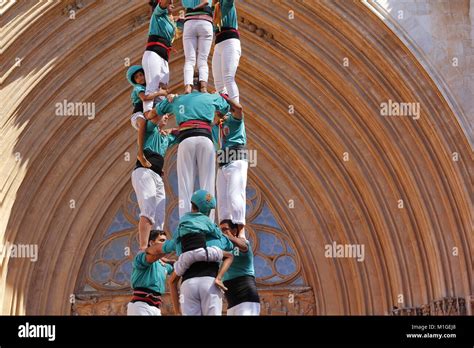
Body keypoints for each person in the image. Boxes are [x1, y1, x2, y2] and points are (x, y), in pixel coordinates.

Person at [154, 81, 242, 220]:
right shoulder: (210, 98)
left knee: (184, 182)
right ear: (203, 84)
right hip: (205, 139)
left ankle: (185, 221)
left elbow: (156, 111)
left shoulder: (179, 99)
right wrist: (218, 97)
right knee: (207, 182)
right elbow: (226, 110)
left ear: (187, 85)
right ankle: (209, 221)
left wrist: (169, 97)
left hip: (186, 139)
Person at [145, 190, 234, 315]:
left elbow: (164, 247)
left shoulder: (181, 233)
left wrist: (147, 249)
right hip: (210, 282)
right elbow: (229, 246)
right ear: (207, 211)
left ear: (192, 204)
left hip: (188, 283)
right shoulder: (217, 239)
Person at [131, 113, 178, 250]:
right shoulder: (150, 129)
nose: (165, 117)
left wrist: (172, 130)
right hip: (144, 172)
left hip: (157, 176)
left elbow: (182, 131)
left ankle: (156, 250)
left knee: (159, 217)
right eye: (162, 115)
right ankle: (144, 247)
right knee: (148, 208)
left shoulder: (165, 138)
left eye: (167, 116)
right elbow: (147, 121)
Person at [213, 107, 247, 238]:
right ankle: (225, 231)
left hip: (236, 160)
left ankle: (241, 229)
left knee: (235, 195)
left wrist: (224, 97)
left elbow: (238, 109)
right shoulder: (216, 128)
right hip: (222, 165)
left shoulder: (234, 120)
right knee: (222, 200)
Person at [127, 65, 168, 168]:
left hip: (146, 115)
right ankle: (140, 153)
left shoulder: (149, 87)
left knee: (154, 121)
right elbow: (145, 98)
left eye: (141, 75)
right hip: (137, 115)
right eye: (137, 77)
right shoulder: (138, 88)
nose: (140, 78)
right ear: (134, 81)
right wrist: (159, 93)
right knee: (143, 122)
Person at [142, 0, 176, 119]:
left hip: (164, 57)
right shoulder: (158, 14)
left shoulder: (169, 21)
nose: (173, 4)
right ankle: (147, 112)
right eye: (170, 2)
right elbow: (163, 3)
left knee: (163, 88)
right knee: (152, 84)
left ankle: (159, 117)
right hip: (153, 54)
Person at [127, 230, 173, 316]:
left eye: (166, 241)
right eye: (162, 241)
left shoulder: (163, 265)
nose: (165, 244)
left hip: (156, 308)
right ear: (152, 243)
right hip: (140, 305)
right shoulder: (141, 257)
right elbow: (152, 255)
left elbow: (179, 266)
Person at [220, 219, 260, 315]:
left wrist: (228, 236)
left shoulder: (243, 243)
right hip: (232, 302)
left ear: (234, 230)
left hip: (246, 298)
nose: (222, 233)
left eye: (225, 229)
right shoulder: (224, 248)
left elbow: (243, 246)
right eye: (220, 230)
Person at [181, 0, 214, 93]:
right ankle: (203, 87)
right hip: (205, 22)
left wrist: (192, 9)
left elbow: (185, 5)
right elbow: (206, 2)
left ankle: (188, 86)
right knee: (203, 59)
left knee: (189, 60)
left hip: (189, 22)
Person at [212, 0, 241, 103]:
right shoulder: (213, 10)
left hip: (230, 42)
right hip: (219, 45)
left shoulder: (225, 3)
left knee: (228, 77)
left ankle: (236, 109)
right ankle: (225, 110)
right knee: (218, 83)